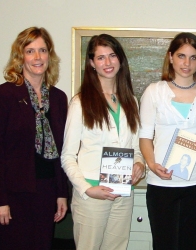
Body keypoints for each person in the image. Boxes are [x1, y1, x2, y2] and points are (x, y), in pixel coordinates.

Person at [139, 32, 196, 250]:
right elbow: (145, 137)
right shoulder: (153, 92)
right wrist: (152, 165)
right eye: (181, 56)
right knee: (163, 244)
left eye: (193, 57)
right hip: (162, 182)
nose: (187, 63)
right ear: (170, 57)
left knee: (193, 245)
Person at [0, 27, 69, 250]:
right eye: (30, 51)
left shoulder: (59, 98)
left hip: (46, 190)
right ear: (20, 56)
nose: (37, 57)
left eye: (42, 50)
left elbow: (62, 150)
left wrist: (61, 194)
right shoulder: (3, 95)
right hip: (12, 194)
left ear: (49, 55)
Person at [61, 34, 145, 250]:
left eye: (112, 56)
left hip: (123, 192)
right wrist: (87, 189)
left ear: (121, 59)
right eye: (100, 58)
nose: (107, 63)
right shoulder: (80, 103)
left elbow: (136, 148)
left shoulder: (131, 102)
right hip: (92, 195)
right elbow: (67, 156)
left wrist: (139, 165)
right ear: (91, 63)